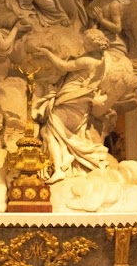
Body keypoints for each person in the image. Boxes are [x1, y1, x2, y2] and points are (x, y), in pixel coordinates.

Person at [33, 29, 111, 181]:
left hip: (71, 99)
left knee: (49, 132)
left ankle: (60, 168)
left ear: (92, 44)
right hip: (82, 105)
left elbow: (63, 66)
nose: (83, 43)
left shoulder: (87, 61)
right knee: (51, 133)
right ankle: (65, 155)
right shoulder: (101, 60)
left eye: (85, 41)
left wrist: (47, 53)